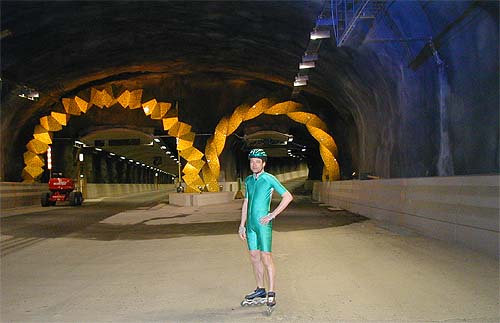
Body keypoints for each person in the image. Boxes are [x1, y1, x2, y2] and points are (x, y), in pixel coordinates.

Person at [238, 148, 293, 309]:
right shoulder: (248, 180)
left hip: (263, 225)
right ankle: (260, 289)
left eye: (257, 162)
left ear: (264, 163)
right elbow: (246, 203)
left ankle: (271, 292)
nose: (254, 164)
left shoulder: (269, 179)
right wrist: (242, 225)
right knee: (254, 257)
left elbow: (288, 196)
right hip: (250, 226)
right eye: (252, 161)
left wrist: (273, 214)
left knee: (266, 257)